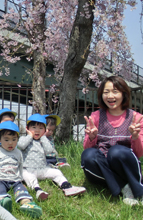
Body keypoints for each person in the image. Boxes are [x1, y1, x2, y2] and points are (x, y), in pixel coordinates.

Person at [81, 75, 143, 206]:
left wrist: (135, 137)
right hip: (103, 165)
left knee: (115, 152)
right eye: (106, 92)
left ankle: (137, 191)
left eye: (115, 91)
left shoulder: (136, 118)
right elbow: (87, 148)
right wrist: (92, 137)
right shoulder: (96, 116)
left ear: (124, 94)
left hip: (123, 163)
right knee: (88, 156)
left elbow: (138, 153)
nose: (110, 96)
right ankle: (125, 187)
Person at [18, 114, 86, 201]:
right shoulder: (24, 138)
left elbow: (49, 150)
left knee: (56, 172)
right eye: (33, 127)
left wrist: (43, 137)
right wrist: (29, 136)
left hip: (43, 169)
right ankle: (37, 190)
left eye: (41, 128)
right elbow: (21, 145)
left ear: (45, 130)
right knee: (28, 177)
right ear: (27, 128)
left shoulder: (43, 140)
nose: (37, 131)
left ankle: (67, 187)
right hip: (28, 169)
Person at [0, 121, 42, 218]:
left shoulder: (18, 153)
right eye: (6, 140)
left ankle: (27, 204)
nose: (10, 143)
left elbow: (20, 167)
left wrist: (20, 179)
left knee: (22, 191)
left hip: (15, 180)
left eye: (14, 139)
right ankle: (3, 202)